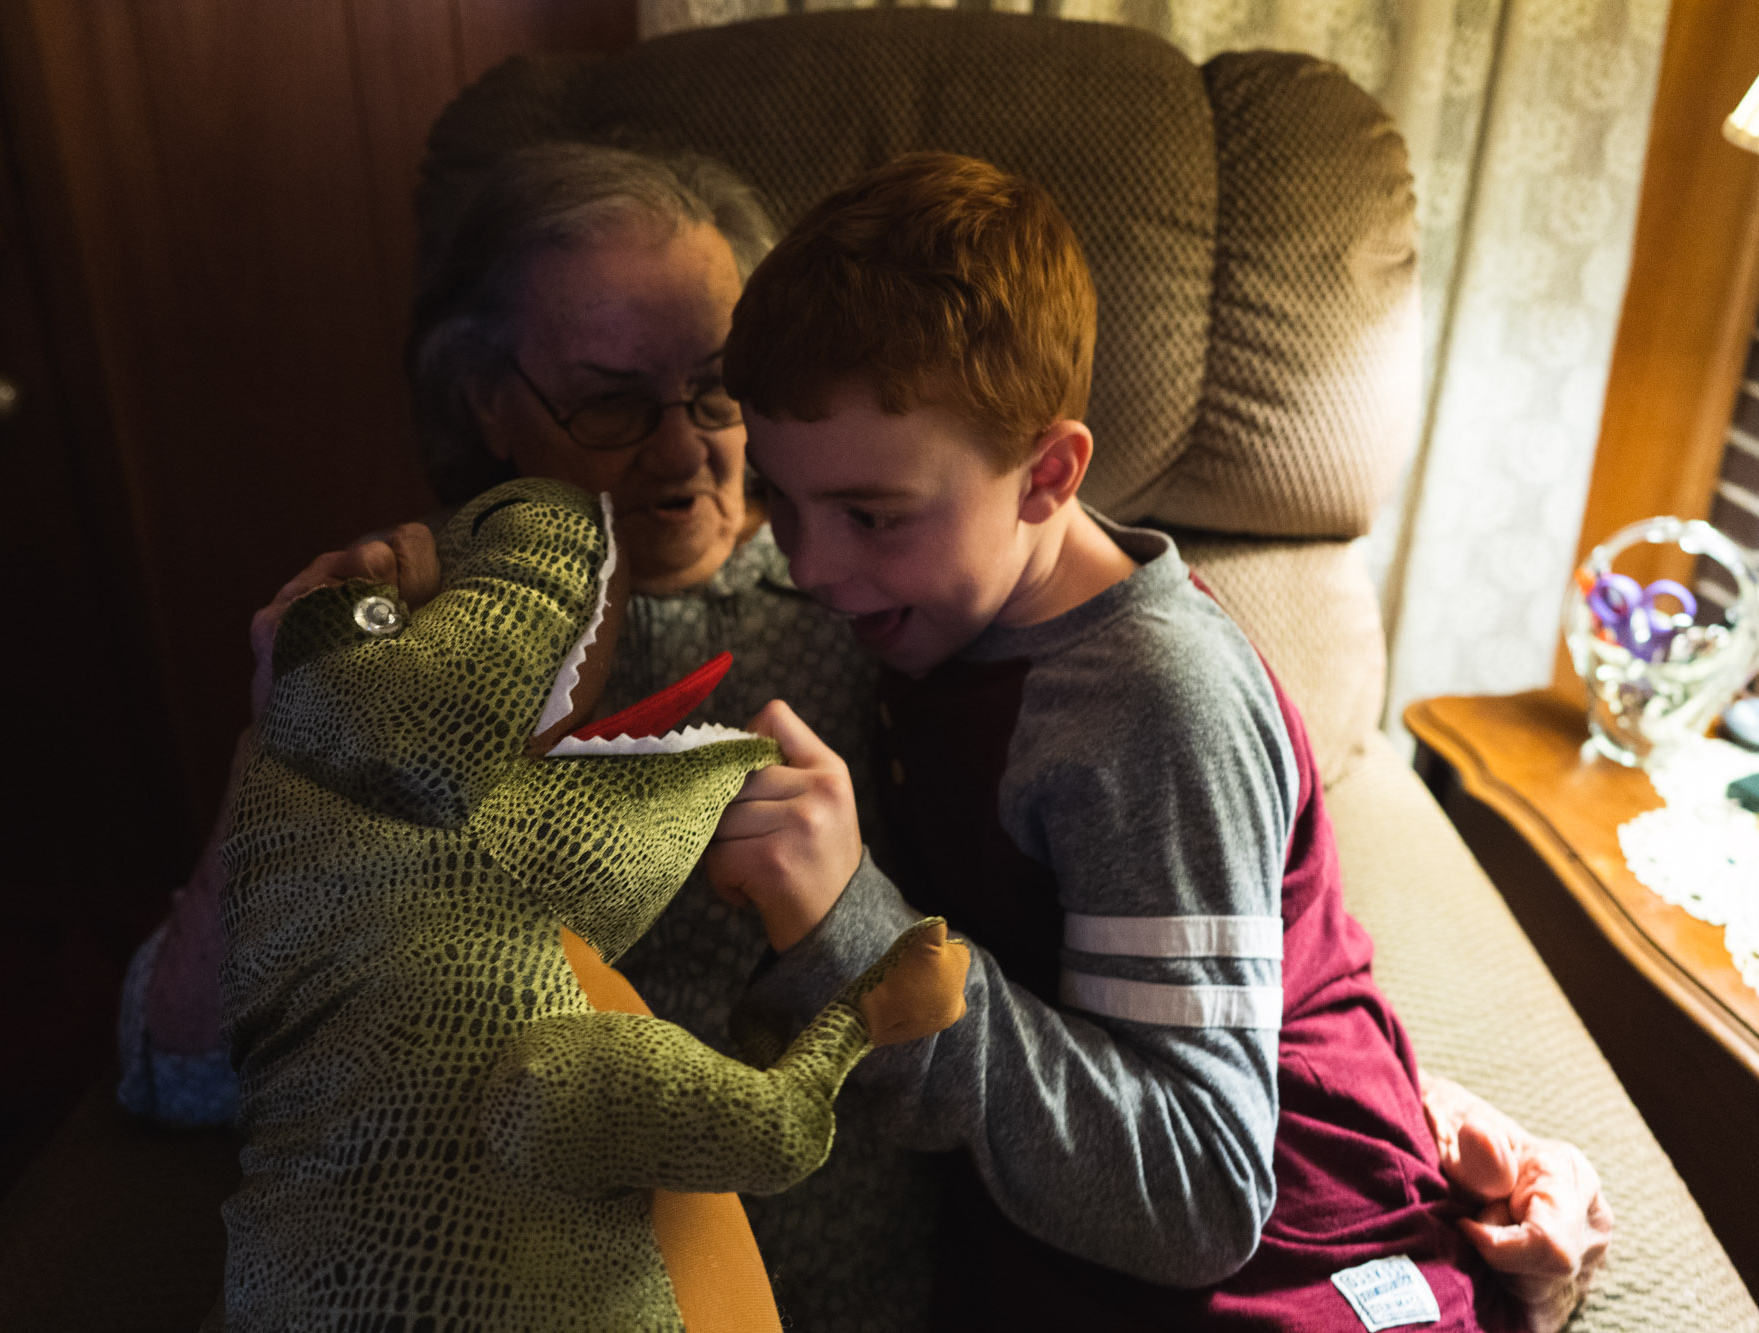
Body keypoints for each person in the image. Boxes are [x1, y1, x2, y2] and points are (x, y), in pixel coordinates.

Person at [117, 142, 1608, 1333]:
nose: (695, 453)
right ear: (484, 402)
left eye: (718, 395)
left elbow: (1189, 911)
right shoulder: (420, 637)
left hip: (847, 1254)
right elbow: (178, 1070)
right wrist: (290, 761)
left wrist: (1400, 1123)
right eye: (610, 403)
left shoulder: (888, 600)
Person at [706, 152, 1608, 1332]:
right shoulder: (937, 607)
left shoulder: (1148, 710)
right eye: (778, 497)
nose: (810, 567)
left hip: (1284, 1247)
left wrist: (866, 951)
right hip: (1094, 1164)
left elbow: (1199, 1191)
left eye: (871, 515)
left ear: (1046, 476)